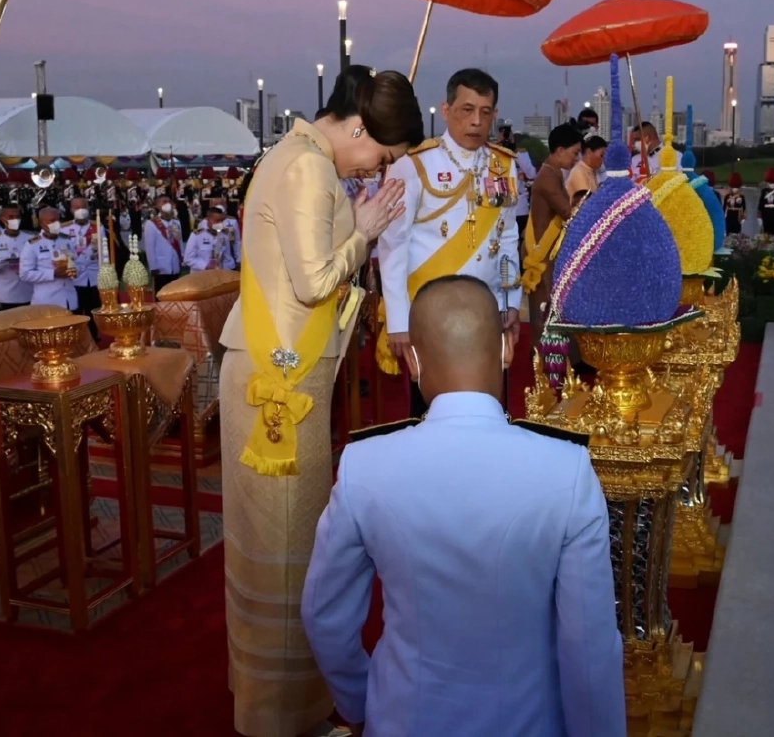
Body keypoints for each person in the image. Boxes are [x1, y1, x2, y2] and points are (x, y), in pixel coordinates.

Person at [302, 276, 625, 737]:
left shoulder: (365, 465)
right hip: (528, 720)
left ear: (411, 359)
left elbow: (323, 615)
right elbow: (588, 645)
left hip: (404, 718)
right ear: (507, 347)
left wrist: (364, 701)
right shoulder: (565, 468)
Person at [218, 65, 423, 737]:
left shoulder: (303, 157)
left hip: (284, 373)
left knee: (286, 546)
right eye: (382, 154)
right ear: (359, 127)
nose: (377, 168)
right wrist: (362, 229)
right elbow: (312, 283)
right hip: (277, 382)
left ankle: (283, 711)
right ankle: (279, 722)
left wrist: (356, 225)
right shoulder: (308, 168)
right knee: (284, 553)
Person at [380, 68, 522, 418]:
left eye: (485, 112)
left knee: (489, 408)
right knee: (429, 411)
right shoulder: (414, 165)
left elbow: (507, 238)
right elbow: (393, 246)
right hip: (430, 315)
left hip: (485, 311)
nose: (476, 121)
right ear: (446, 110)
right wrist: (398, 320)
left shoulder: (503, 166)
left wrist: (511, 300)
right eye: (466, 109)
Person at [523, 124, 581, 330]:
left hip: (548, 251)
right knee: (545, 314)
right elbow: (568, 213)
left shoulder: (553, 173)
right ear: (560, 151)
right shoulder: (548, 178)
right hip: (542, 253)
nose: (576, 159)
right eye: (575, 153)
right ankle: (543, 359)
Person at [19, 207, 79, 310]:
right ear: (42, 223)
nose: (56, 223)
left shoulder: (66, 240)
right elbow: (25, 274)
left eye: (58, 220)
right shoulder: (32, 244)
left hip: (69, 299)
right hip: (47, 302)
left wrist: (74, 270)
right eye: (52, 221)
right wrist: (53, 274)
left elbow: (77, 263)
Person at [0, 204, 32, 310]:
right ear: (2, 219)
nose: (15, 220)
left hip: (27, 291)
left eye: (17, 216)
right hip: (6, 293)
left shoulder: (30, 238)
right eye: (11, 217)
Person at [61, 197, 100, 324]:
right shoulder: (64, 228)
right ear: (71, 210)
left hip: (93, 276)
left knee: (94, 310)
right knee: (76, 310)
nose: (81, 210)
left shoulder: (98, 226)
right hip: (74, 276)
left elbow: (104, 252)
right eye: (77, 208)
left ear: (88, 209)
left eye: (83, 207)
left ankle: (94, 338)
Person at [144, 195, 183, 291]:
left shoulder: (176, 222)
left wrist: (181, 259)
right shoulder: (151, 224)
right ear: (157, 205)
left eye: (169, 201)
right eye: (164, 201)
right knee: (161, 296)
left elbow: (179, 242)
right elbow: (149, 247)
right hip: (161, 267)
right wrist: (153, 267)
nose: (167, 204)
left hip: (175, 265)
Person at [184, 206, 235, 271]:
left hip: (219, 275)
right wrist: (205, 266)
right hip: (200, 275)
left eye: (221, 221)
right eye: (217, 221)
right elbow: (188, 258)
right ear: (208, 220)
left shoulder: (224, 235)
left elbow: (227, 258)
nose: (220, 223)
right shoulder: (196, 235)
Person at [567, 135, 607, 200]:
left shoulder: (593, 170)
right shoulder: (578, 172)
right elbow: (587, 202)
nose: (604, 159)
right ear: (589, 152)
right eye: (601, 155)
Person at [758, 168, 774, 236]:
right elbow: (761, 205)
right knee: (765, 233)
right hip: (766, 214)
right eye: (770, 182)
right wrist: (759, 217)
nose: (772, 184)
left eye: (773, 182)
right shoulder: (764, 191)